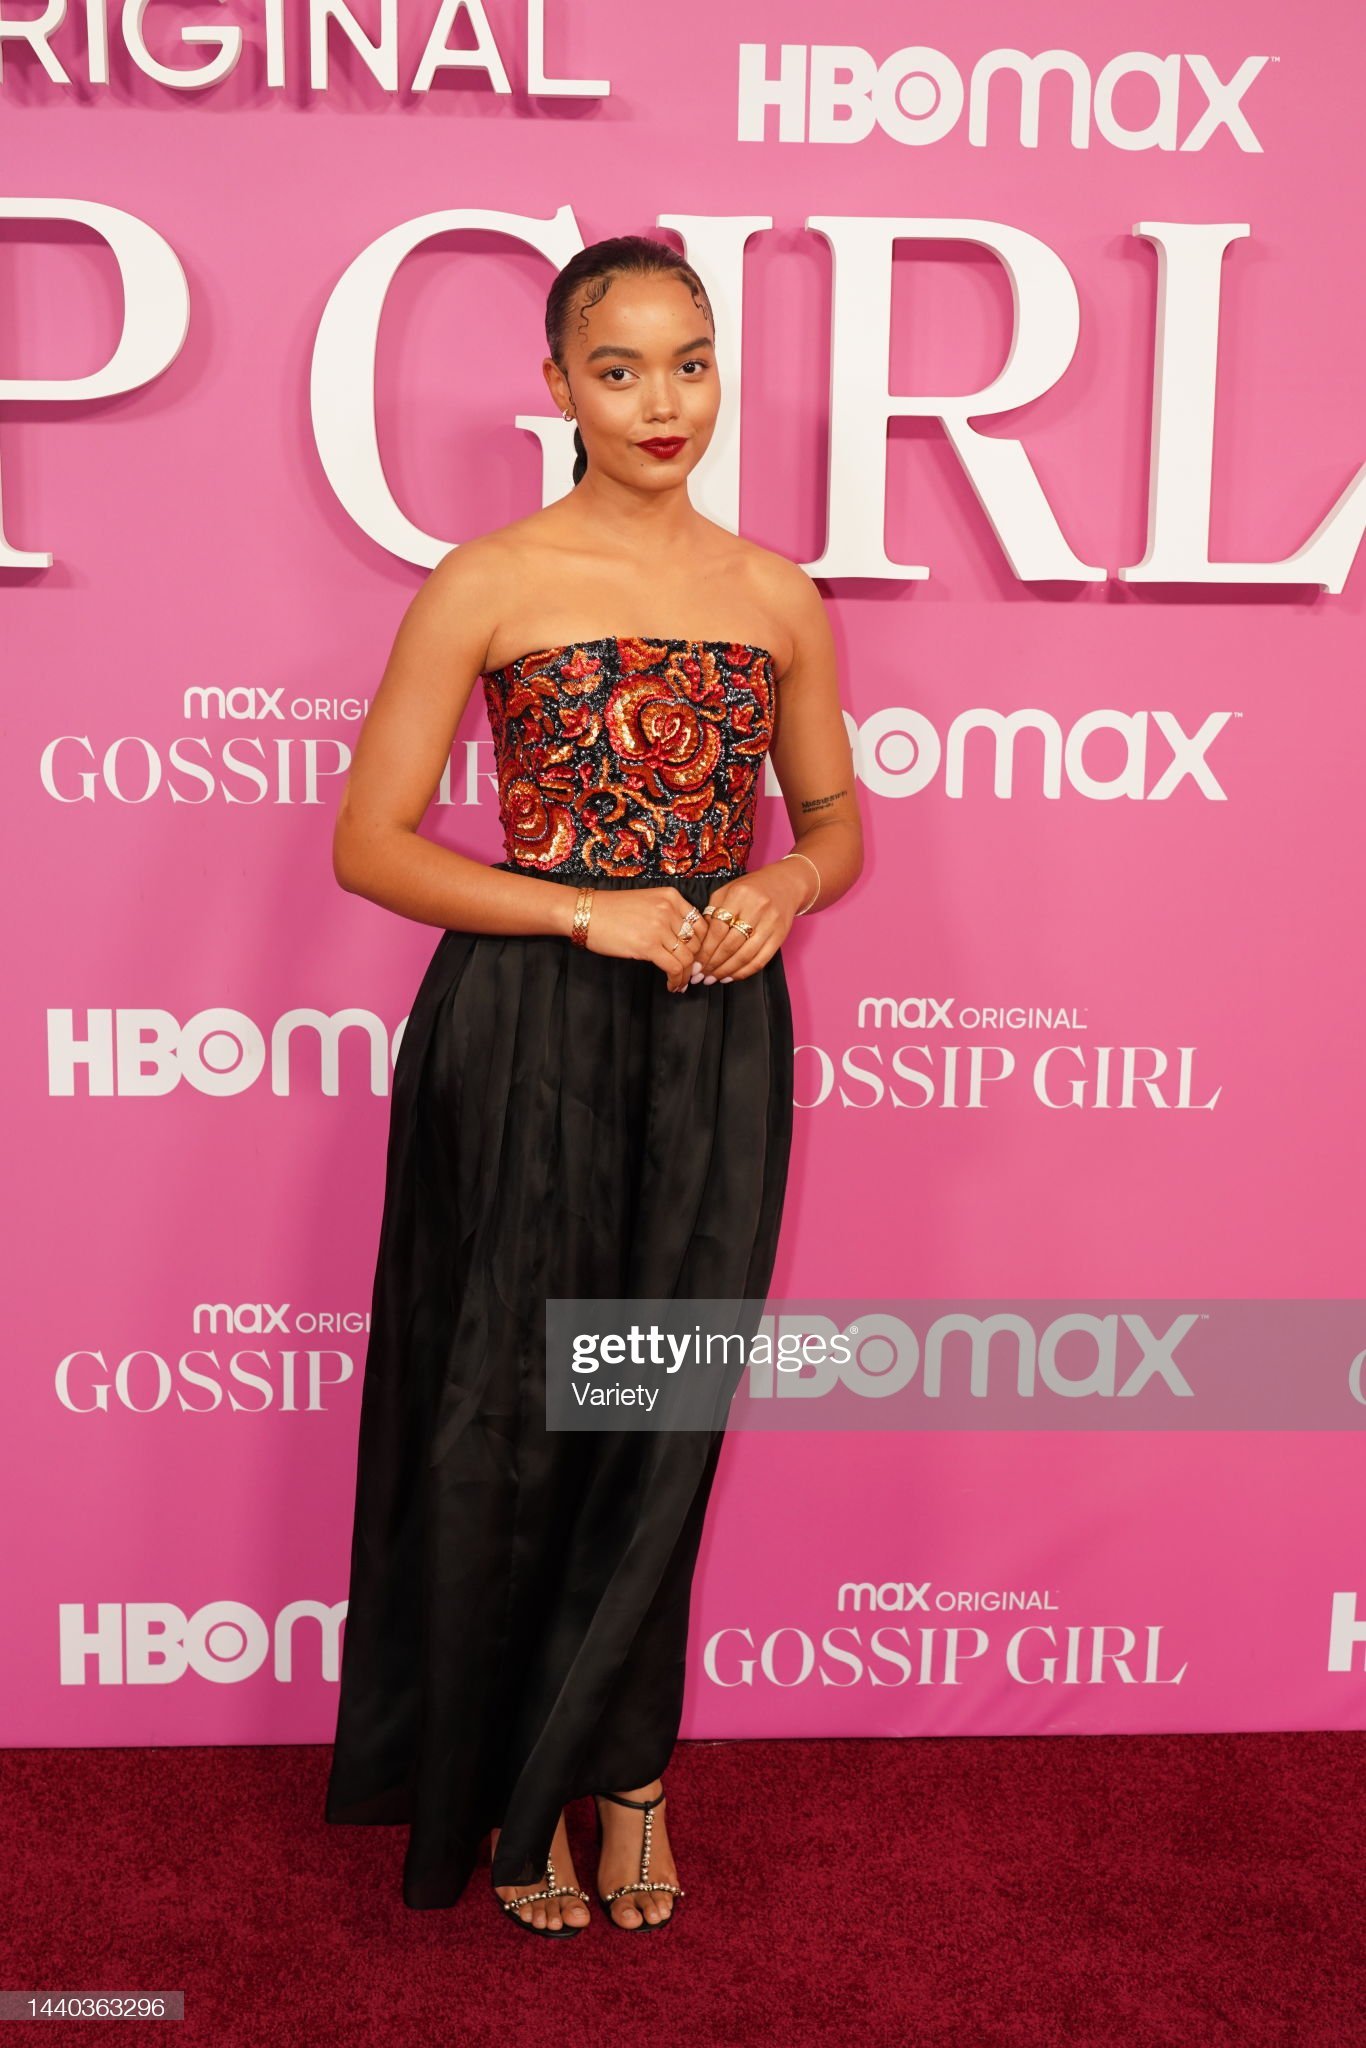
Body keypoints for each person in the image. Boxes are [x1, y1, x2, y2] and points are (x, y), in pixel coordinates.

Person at [322, 233, 863, 1937]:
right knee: (513, 1404)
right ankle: (506, 1784)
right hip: (524, 1033)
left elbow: (834, 820)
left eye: (688, 363)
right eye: (618, 369)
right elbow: (368, 845)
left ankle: (625, 1772)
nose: (659, 401)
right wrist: (582, 910)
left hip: (713, 1038)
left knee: (659, 1408)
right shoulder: (488, 580)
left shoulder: (776, 594)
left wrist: (788, 885)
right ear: (557, 386)